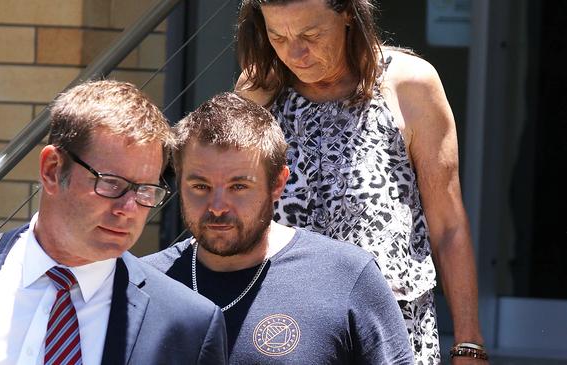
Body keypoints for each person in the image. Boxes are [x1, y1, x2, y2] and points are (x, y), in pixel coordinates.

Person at [234, 0, 487, 363]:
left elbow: (447, 223)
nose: (295, 53)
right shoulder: (261, 90)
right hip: (285, 329)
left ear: (348, 14)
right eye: (278, 37)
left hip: (389, 329)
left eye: (311, 34)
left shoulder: (410, 84)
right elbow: (230, 201)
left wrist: (469, 344)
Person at [0, 80, 227, 364]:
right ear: (52, 169)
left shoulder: (184, 325)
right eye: (111, 183)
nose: (129, 208)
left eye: (145, 190)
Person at [143, 92, 413, 364]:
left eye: (239, 187)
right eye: (200, 186)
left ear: (278, 184)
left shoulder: (347, 276)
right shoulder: (142, 284)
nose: (217, 206)